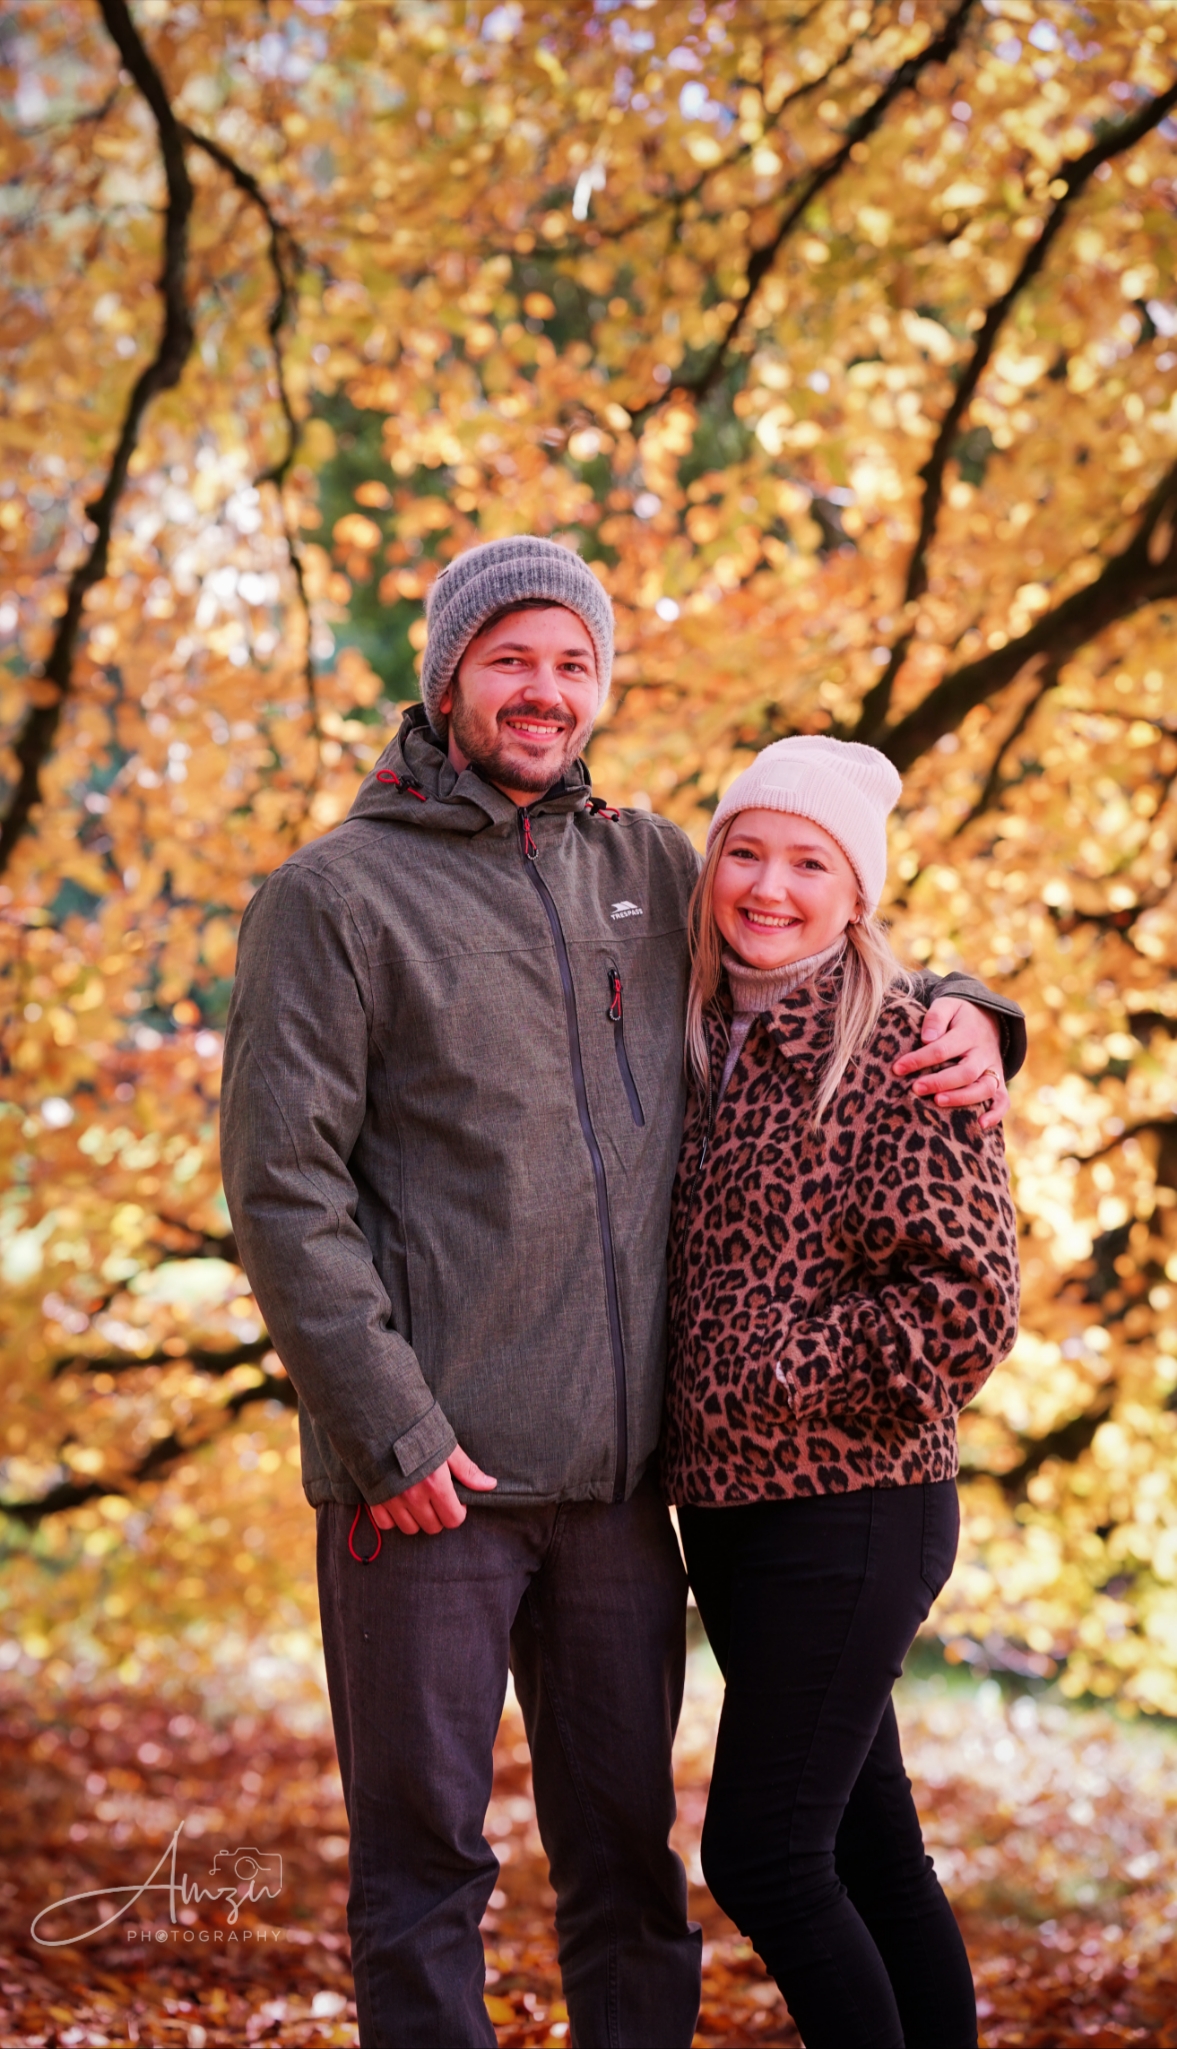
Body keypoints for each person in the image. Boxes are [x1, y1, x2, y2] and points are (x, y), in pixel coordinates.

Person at [219, 536, 1025, 2049]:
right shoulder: (331, 900)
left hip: (623, 1496)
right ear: (447, 677)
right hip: (428, 1483)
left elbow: (823, 918)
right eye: (510, 659)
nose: (544, 690)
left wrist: (979, 1017)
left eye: (573, 663)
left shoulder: (649, 870)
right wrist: (388, 1431)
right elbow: (284, 1193)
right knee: (426, 1871)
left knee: (630, 1876)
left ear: (599, 688)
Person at [662, 736, 1022, 2049]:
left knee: (762, 1856)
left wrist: (767, 1377)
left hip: (852, 1504)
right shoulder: (701, 1033)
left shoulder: (903, 1044)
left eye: (809, 863)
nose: (769, 887)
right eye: (745, 853)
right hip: (731, 1516)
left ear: (857, 891)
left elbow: (966, 1303)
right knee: (871, 1851)